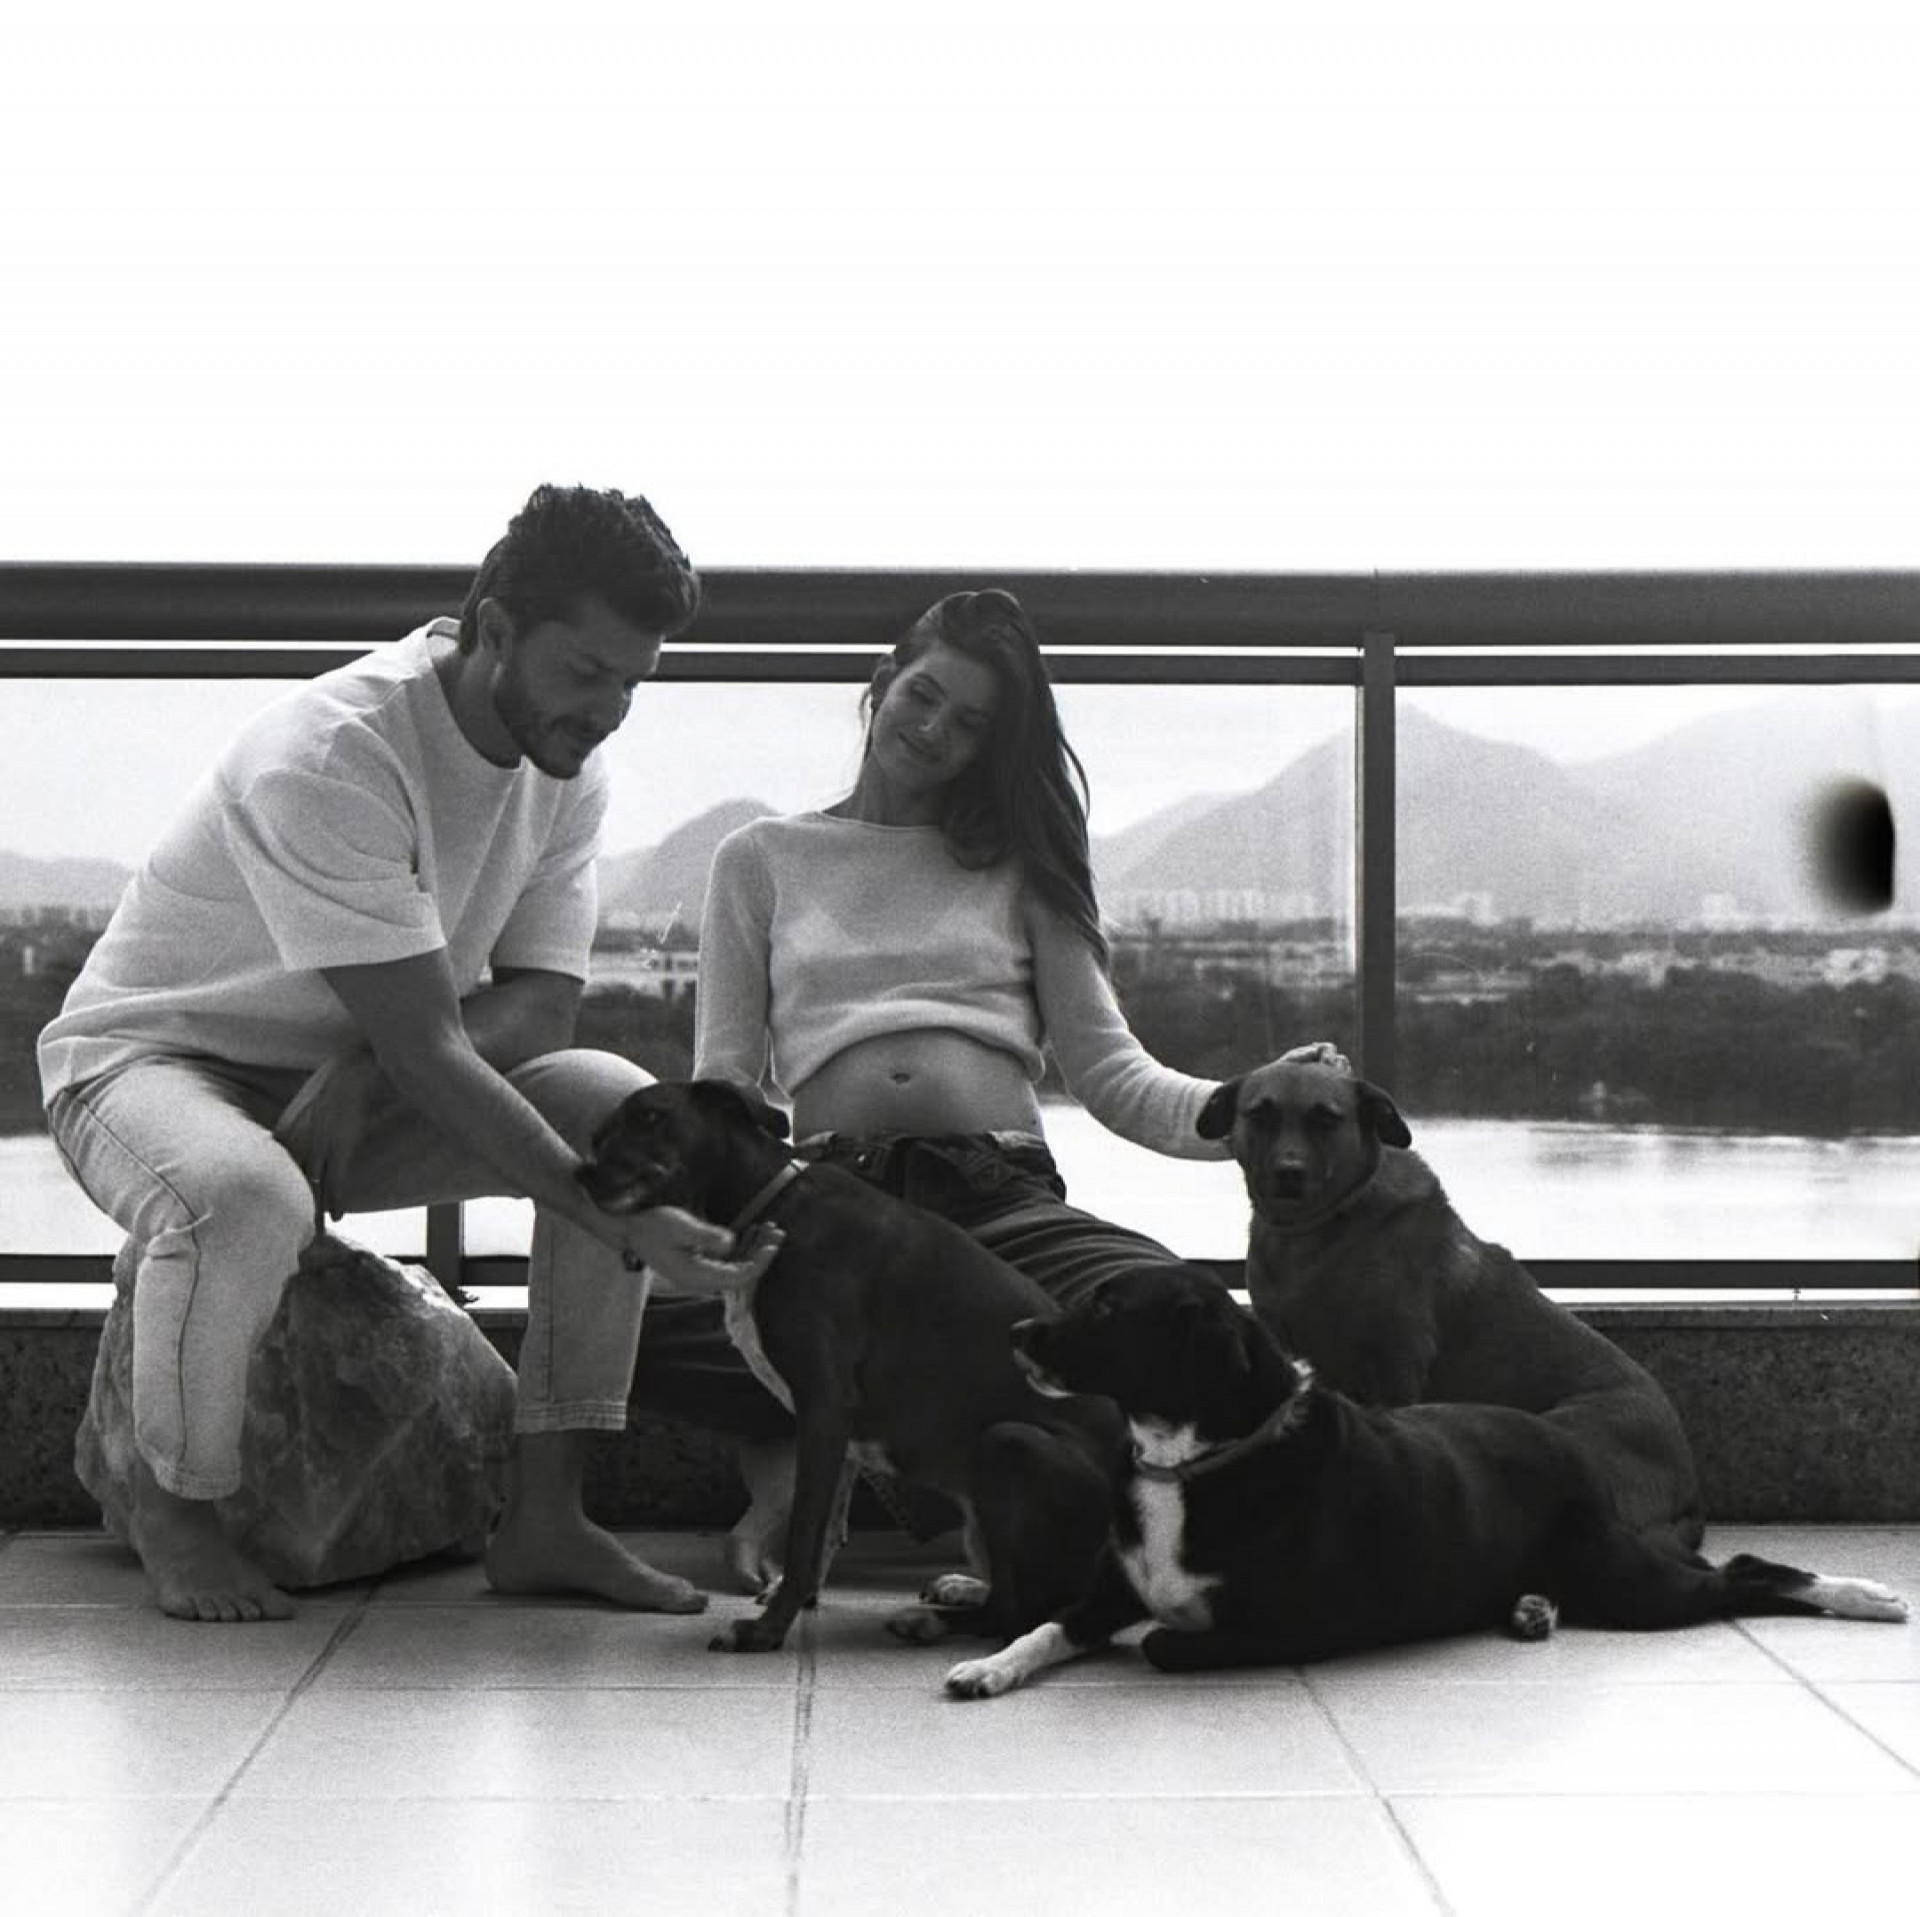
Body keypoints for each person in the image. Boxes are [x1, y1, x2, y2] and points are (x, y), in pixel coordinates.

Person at [38, 484, 773, 1624]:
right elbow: (433, 1044)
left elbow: (539, 1010)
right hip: (149, 1068)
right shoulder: (333, 752)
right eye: (587, 671)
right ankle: (177, 1513)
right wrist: (615, 1218)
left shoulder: (566, 767)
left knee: (618, 1107)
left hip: (353, 1090)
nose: (610, 710)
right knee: (243, 1195)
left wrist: (375, 1065)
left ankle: (546, 1516)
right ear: (494, 628)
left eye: (634, 682)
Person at [631, 587, 1335, 1588]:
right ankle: (805, 1446)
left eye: (969, 724)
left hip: (995, 1200)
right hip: (829, 1211)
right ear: (883, 682)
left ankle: (856, 1446)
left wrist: (1251, 1108)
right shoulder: (759, 859)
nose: (934, 731)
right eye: (924, 696)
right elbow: (725, 1085)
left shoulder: (1020, 863)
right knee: (630, 1320)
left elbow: (1110, 1069)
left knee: (1192, 1326)